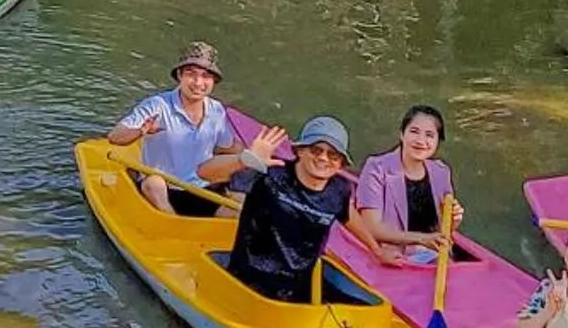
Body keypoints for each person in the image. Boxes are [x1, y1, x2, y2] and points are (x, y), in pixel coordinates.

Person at [217, 115, 413, 300]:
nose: (323, 158)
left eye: (333, 155)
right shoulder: (268, 174)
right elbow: (206, 173)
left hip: (298, 283)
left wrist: (376, 250)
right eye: (316, 150)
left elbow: (347, 215)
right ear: (300, 150)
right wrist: (245, 160)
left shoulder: (339, 190)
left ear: (341, 164)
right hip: (250, 279)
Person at [115, 44, 258, 212]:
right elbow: (115, 136)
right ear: (179, 76)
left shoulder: (217, 110)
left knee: (243, 202)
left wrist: (255, 153)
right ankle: (170, 223)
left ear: (213, 82)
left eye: (205, 76)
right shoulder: (156, 105)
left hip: (202, 189)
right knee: (154, 183)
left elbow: (227, 148)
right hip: (164, 190)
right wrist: (141, 131)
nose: (198, 83)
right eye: (191, 75)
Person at [352, 104, 461, 266]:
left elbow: (442, 231)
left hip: (433, 255)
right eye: (414, 132)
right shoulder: (376, 168)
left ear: (438, 141)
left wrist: (453, 221)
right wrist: (421, 239)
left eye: (430, 135)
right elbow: (371, 227)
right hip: (393, 257)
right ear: (402, 134)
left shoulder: (441, 172)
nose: (421, 141)